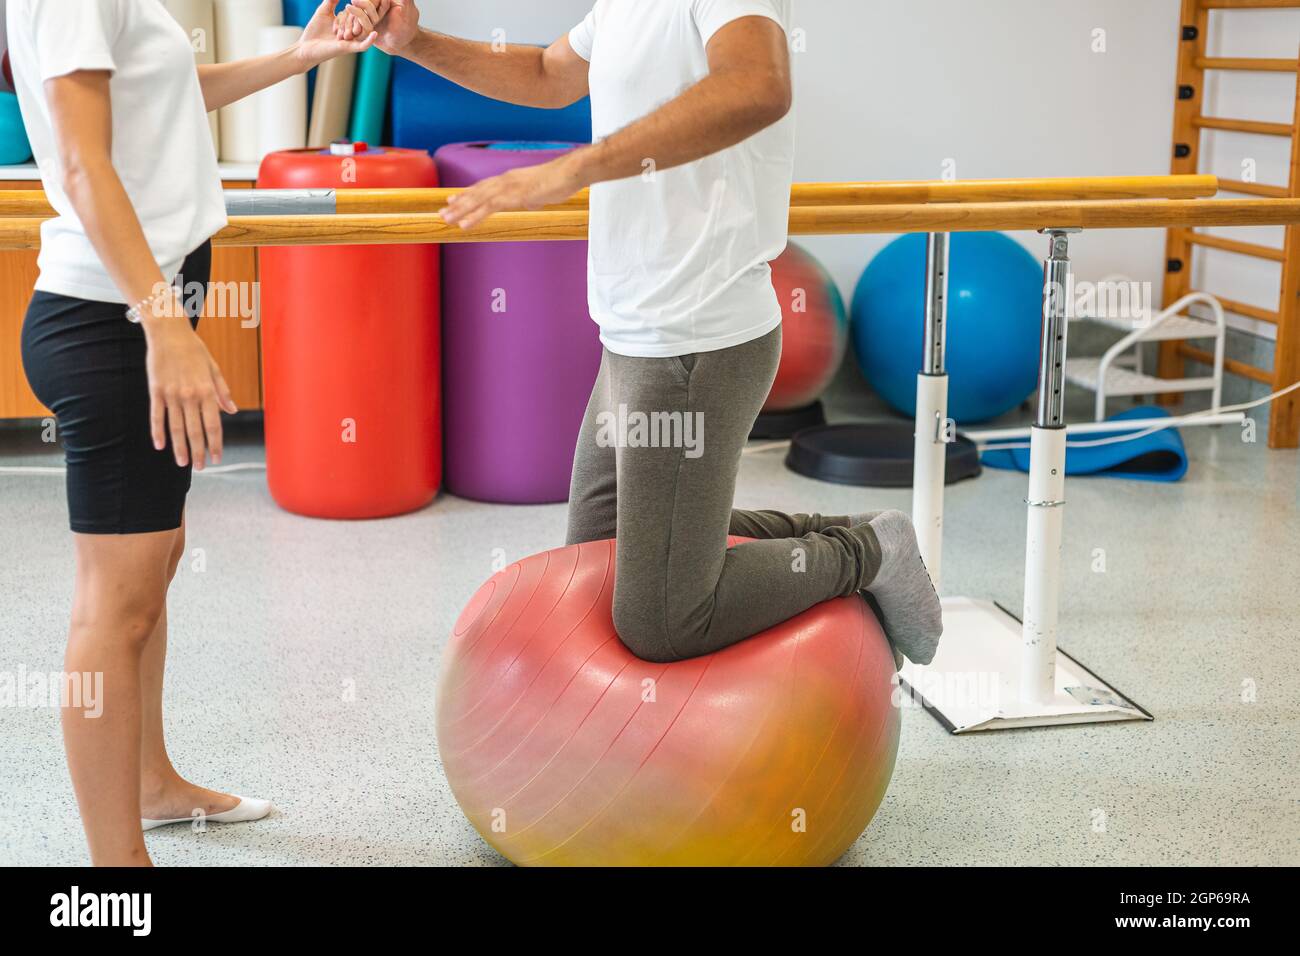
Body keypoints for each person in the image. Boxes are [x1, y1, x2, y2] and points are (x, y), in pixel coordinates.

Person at [347, 0, 943, 666]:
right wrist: (414, 42)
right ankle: (834, 533)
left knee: (661, 617)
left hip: (696, 336)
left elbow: (759, 86)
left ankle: (867, 554)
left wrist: (573, 169)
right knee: (598, 551)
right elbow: (549, 73)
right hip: (631, 335)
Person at [7, 0, 385, 867]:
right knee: (116, 605)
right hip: (109, 325)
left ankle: (152, 787)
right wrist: (163, 327)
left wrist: (302, 58)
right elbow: (81, 160)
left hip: (136, 313)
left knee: (155, 566)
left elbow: (167, 96)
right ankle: (115, 875)